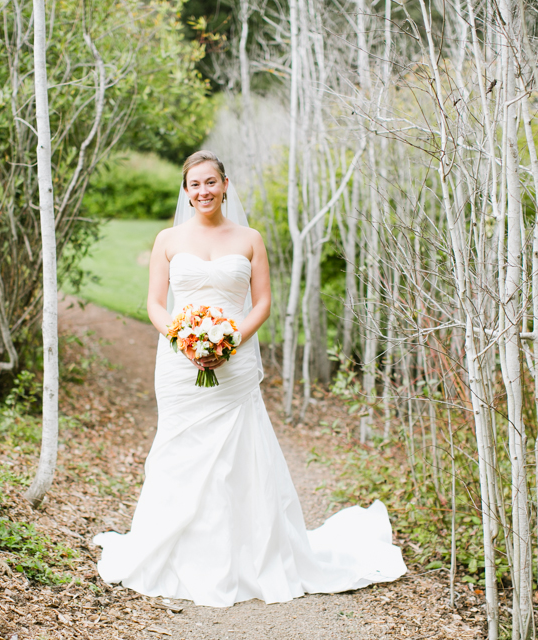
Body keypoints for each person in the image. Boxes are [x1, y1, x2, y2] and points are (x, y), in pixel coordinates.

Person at [93, 151, 406, 607]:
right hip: (179, 364)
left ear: (224, 184)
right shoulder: (167, 239)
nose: (202, 191)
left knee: (239, 455)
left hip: (233, 360)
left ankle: (247, 556)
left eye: (210, 182)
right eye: (193, 184)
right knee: (180, 453)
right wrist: (182, 339)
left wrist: (228, 340)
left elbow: (261, 303)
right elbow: (156, 305)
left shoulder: (249, 238)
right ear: (185, 191)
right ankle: (172, 552)